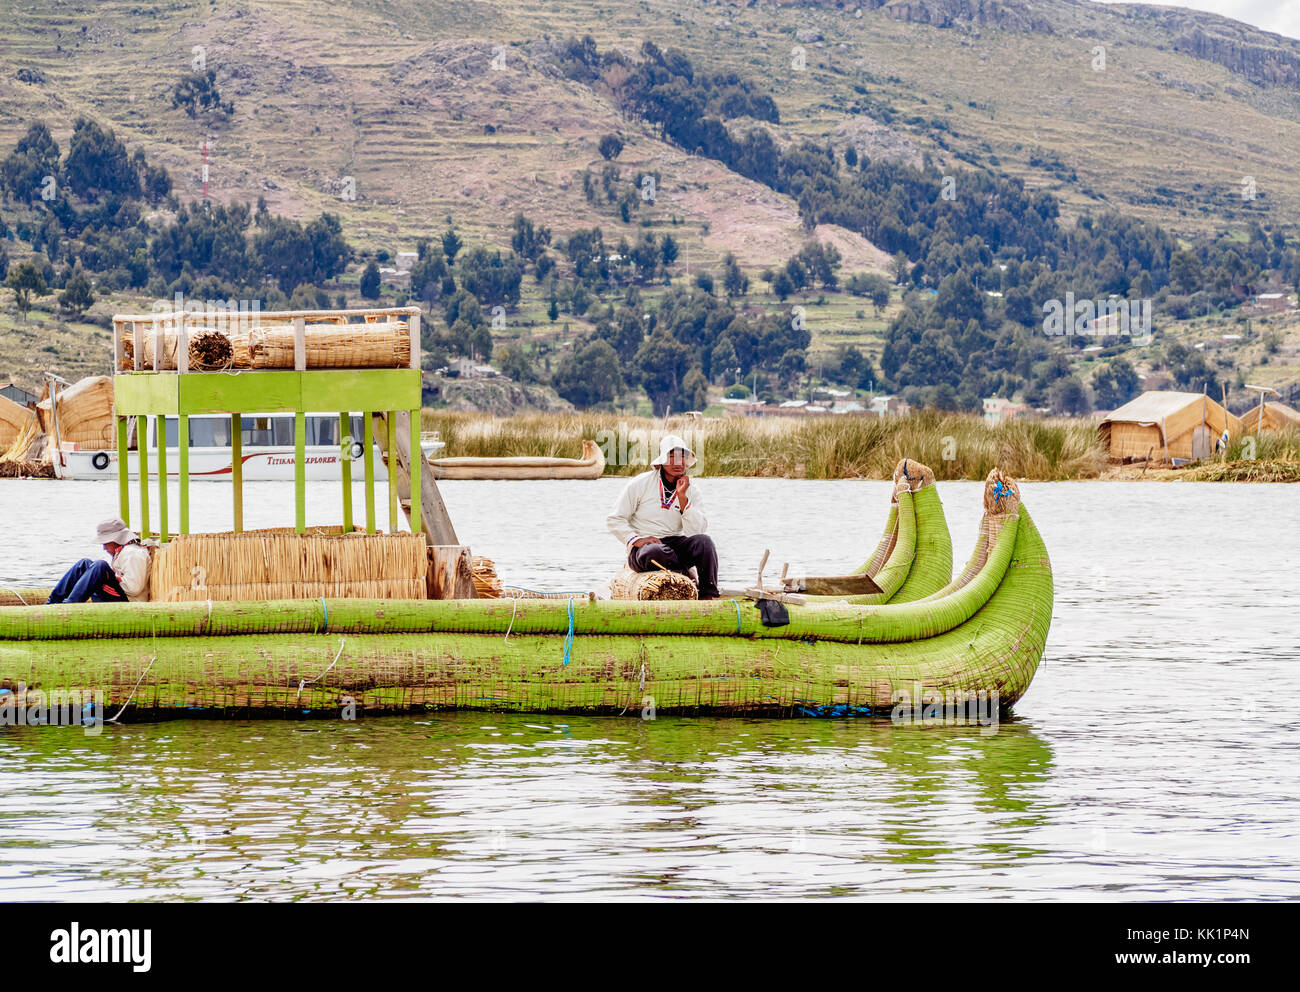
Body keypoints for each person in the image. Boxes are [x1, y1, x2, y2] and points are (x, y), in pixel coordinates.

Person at [606, 434, 719, 599]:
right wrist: (637, 540)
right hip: (646, 549)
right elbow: (614, 519)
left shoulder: (692, 489)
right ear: (662, 461)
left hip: (676, 545)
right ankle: (684, 576)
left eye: (681, 458)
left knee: (705, 542)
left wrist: (683, 498)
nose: (677, 463)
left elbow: (697, 530)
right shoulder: (640, 484)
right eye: (672, 458)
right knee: (656, 551)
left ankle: (708, 595)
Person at [46, 518, 151, 605]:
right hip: (117, 595)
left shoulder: (133, 553)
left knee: (100, 566)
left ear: (115, 540)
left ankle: (70, 605)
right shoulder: (123, 552)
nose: (104, 548)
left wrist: (108, 576)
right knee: (84, 563)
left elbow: (134, 588)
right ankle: (52, 603)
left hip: (128, 602)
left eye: (105, 543)